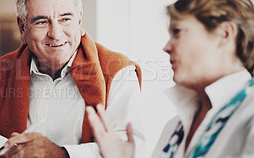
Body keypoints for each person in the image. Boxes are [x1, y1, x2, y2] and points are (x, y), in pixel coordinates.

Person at [0, 0, 145, 157]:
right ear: (22, 28)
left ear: (80, 21)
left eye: (65, 19)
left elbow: (128, 147)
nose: (55, 34)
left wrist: (61, 154)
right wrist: (6, 148)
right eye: (41, 21)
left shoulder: (118, 72)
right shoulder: (2, 70)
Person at [87, 0, 254, 157]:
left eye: (177, 32)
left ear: (224, 34)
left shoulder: (249, 113)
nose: (166, 47)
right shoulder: (175, 127)